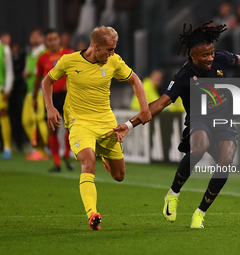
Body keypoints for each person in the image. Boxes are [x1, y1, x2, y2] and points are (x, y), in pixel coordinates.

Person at [112, 21, 240, 228]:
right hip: (199, 120)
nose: (210, 58)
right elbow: (161, 103)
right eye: (205, 55)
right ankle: (173, 194)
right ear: (192, 56)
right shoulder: (184, 76)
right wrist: (130, 125)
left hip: (223, 122)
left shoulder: (221, 58)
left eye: (211, 53)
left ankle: (199, 213)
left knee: (226, 162)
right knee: (199, 148)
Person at [41, 26, 151, 230]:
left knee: (119, 176)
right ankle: (92, 214)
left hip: (106, 124)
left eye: (114, 49)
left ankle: (107, 160)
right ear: (96, 46)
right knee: (88, 162)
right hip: (79, 123)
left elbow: (135, 80)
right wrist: (50, 108)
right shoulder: (68, 61)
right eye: (109, 49)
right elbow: (47, 81)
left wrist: (144, 110)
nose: (112, 54)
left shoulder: (114, 62)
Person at [33, 29, 74, 172]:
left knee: (70, 127)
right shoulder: (42, 58)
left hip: (67, 97)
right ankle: (56, 162)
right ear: (46, 41)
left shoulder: (69, 54)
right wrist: (33, 96)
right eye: (49, 39)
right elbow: (38, 79)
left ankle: (67, 155)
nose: (53, 42)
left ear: (59, 39)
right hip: (50, 98)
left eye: (55, 39)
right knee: (53, 130)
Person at [22, 28, 49, 160]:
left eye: (36, 36)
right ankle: (38, 148)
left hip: (40, 91)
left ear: (42, 38)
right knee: (26, 120)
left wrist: (30, 72)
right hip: (30, 90)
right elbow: (29, 70)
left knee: (38, 120)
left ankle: (43, 150)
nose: (32, 38)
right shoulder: (30, 54)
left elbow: (44, 70)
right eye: (31, 36)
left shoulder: (44, 53)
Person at [0, 32, 14, 159]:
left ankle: (7, 147)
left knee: (3, 115)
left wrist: (8, 89)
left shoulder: (4, 49)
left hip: (1, 89)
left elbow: (9, 70)